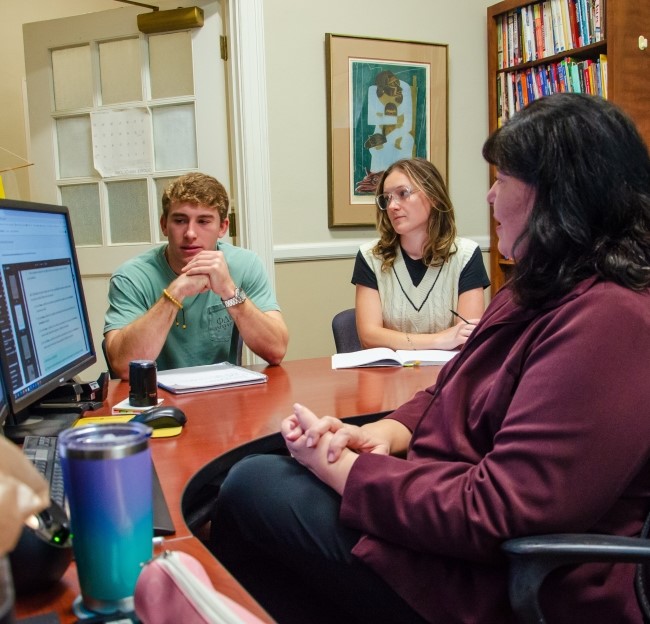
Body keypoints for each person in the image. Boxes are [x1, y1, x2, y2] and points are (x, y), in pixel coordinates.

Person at [209, 93, 650, 624]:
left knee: (249, 486)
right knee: (262, 474)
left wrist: (348, 469)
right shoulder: (537, 285)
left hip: (487, 581)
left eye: (503, 178)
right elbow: (449, 389)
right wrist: (383, 435)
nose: (489, 196)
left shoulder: (613, 320)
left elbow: (498, 513)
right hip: (444, 523)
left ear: (555, 195)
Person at [104, 172, 288, 379]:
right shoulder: (131, 277)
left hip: (223, 395)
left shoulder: (245, 264)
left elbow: (276, 350)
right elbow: (123, 366)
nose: (190, 233)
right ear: (164, 225)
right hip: (155, 399)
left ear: (223, 227)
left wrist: (229, 292)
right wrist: (175, 293)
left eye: (203, 221)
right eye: (180, 220)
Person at [352, 157, 490, 351]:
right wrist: (439, 340)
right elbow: (369, 336)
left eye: (403, 193)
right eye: (387, 198)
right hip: (388, 377)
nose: (392, 206)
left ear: (433, 196)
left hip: (447, 375)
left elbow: (466, 336)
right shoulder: (370, 257)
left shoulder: (466, 255)